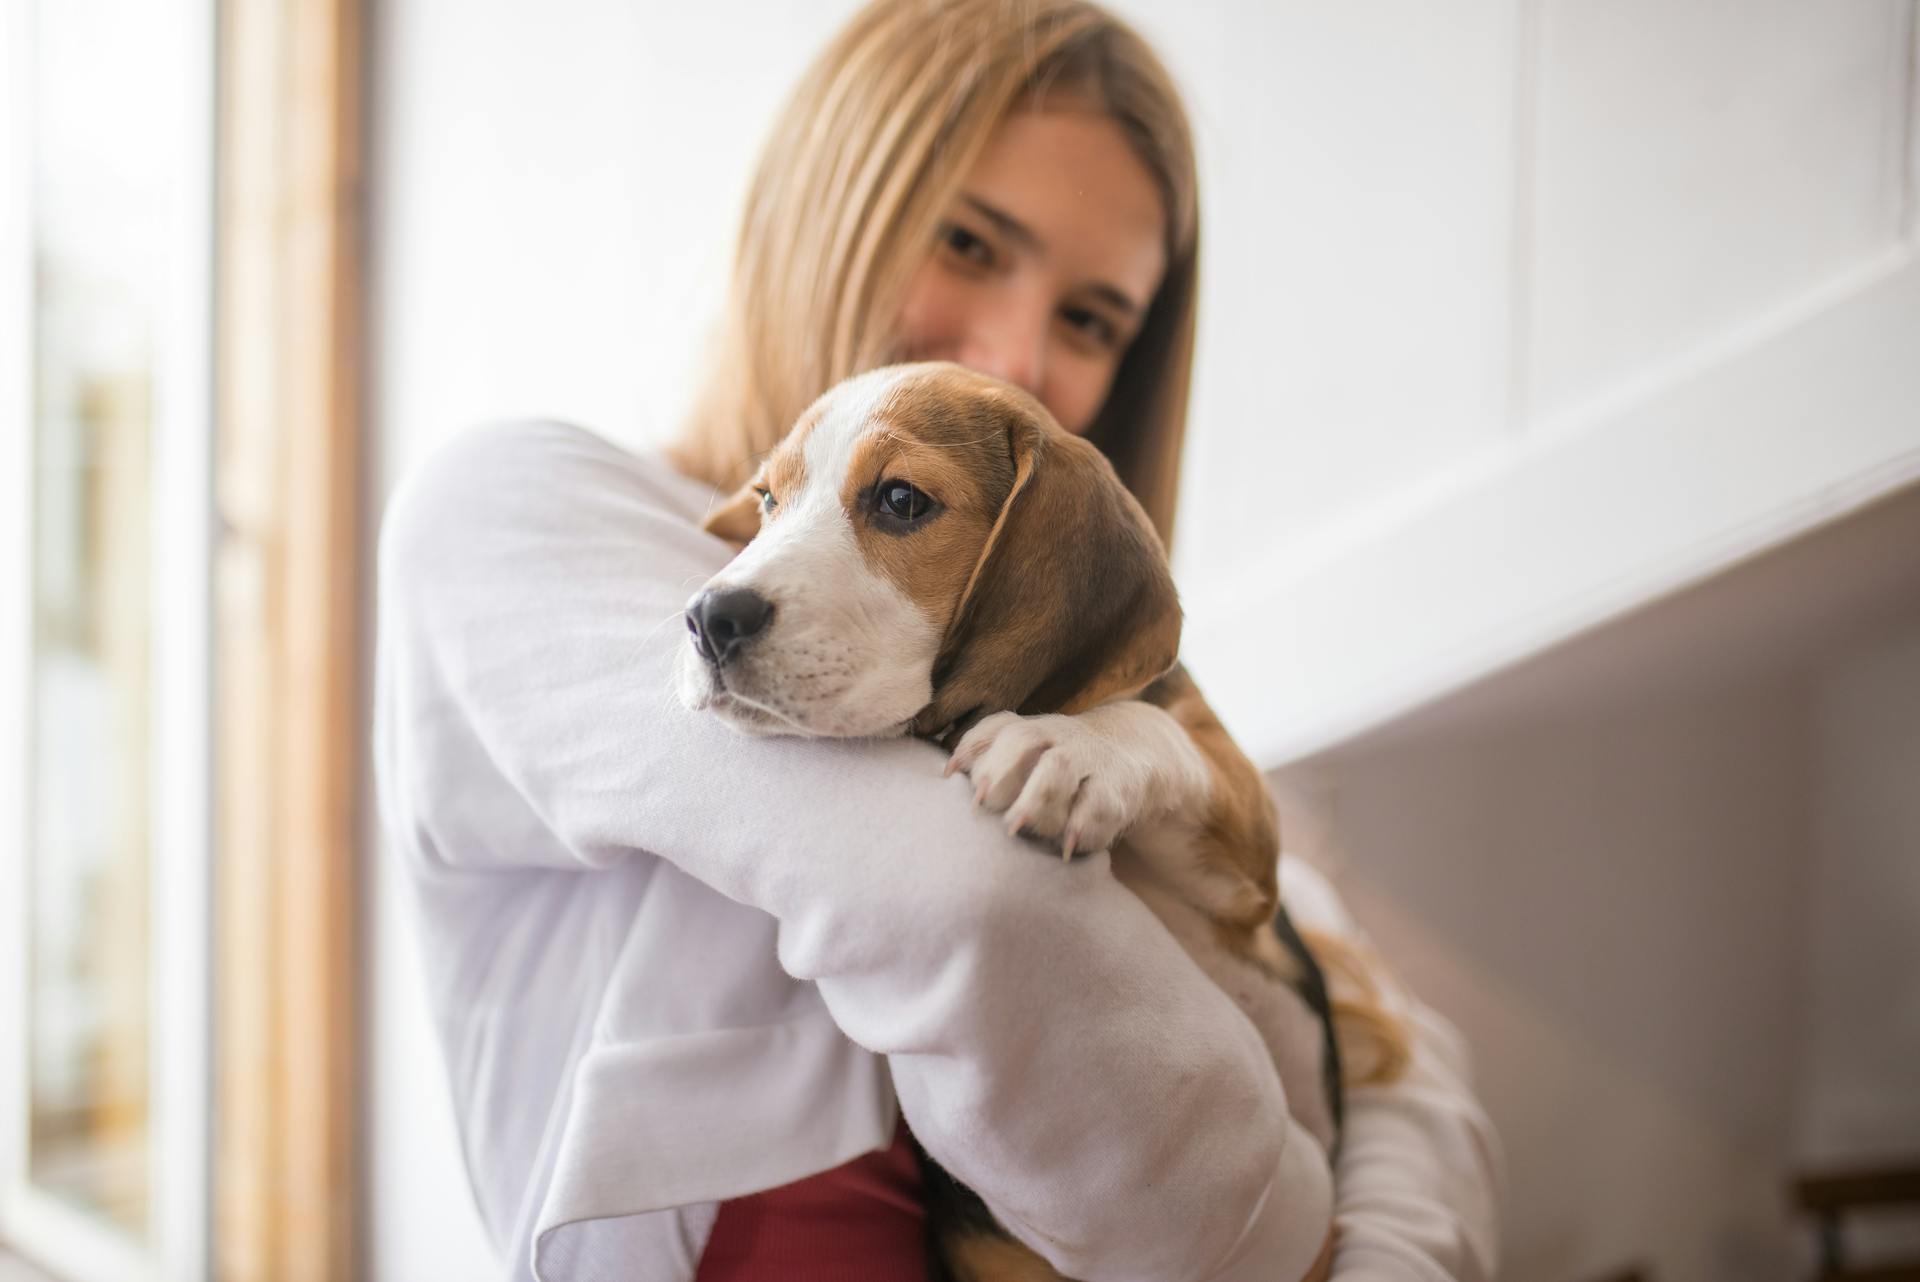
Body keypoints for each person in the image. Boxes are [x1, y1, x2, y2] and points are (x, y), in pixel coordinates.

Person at [373, 2, 1501, 1280]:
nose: (1016, 351)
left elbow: (1392, 1046)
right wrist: (1290, 1223)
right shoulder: (526, 511)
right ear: (826, 200)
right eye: (970, 240)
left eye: (1091, 321)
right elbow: (975, 907)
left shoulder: (1071, 713)